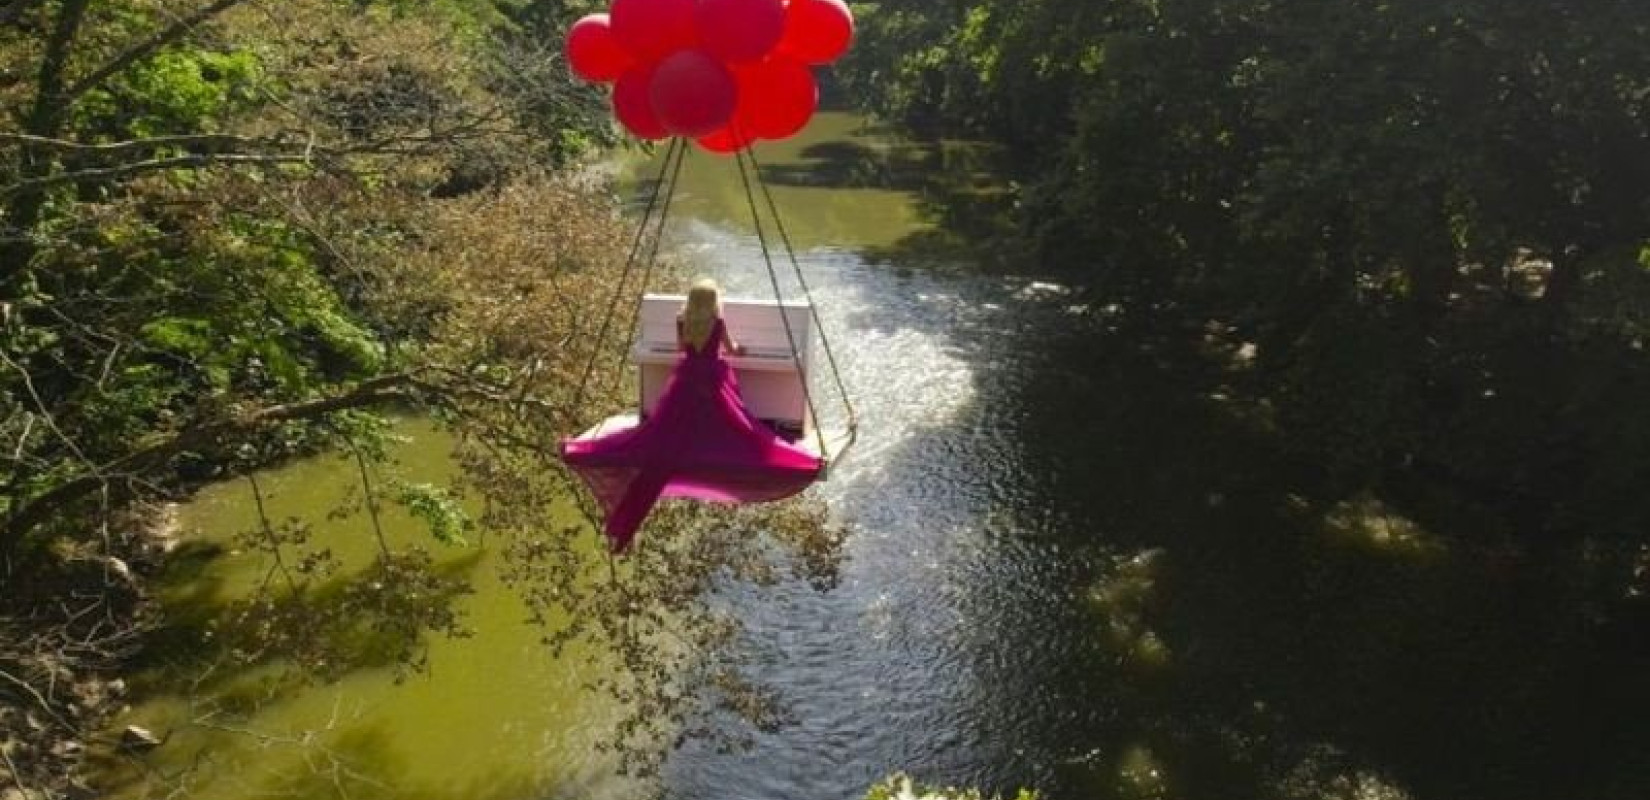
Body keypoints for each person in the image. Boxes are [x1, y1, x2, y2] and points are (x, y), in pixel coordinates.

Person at [561, 278, 822, 552]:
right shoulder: (718, 323)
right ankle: (712, 439)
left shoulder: (681, 321)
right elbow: (731, 349)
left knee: (671, 420)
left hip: (687, 374)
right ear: (713, 302)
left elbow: (678, 350)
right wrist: (739, 350)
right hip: (711, 376)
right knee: (735, 420)